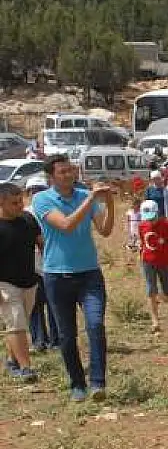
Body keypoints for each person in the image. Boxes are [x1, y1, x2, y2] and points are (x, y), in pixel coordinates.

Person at [32, 154, 114, 402]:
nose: (69, 175)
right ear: (52, 176)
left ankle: (97, 382)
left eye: (71, 170)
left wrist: (108, 203)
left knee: (95, 325)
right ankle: (77, 384)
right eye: (63, 171)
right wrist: (91, 198)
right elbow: (65, 225)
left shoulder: (82, 197)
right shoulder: (42, 199)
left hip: (89, 274)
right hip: (57, 276)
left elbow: (105, 230)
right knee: (67, 334)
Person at [0, 182, 42, 382]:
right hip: (5, 283)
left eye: (21, 201)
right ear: (2, 203)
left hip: (29, 281)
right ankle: (26, 368)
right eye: (15, 203)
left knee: (18, 323)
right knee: (16, 323)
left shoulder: (28, 219)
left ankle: (11, 359)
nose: (20, 206)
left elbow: (42, 244)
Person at [24, 177, 57, 353]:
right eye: (32, 190)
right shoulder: (24, 214)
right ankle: (39, 340)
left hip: (52, 264)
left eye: (39, 189)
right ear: (28, 193)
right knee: (34, 306)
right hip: (32, 266)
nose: (35, 192)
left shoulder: (53, 210)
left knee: (54, 304)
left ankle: (56, 340)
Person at [138, 199, 168, 333]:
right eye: (148, 218)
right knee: (151, 290)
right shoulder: (142, 226)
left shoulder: (166, 224)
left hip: (165, 262)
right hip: (148, 262)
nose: (150, 221)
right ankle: (155, 321)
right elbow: (142, 242)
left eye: (153, 218)